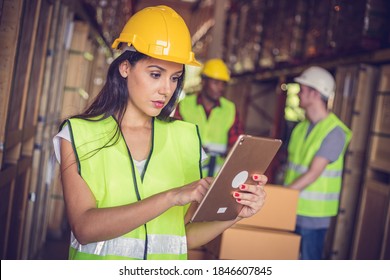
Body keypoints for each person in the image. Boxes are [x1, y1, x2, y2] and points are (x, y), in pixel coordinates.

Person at [52, 5, 267, 260]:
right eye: (156, 74)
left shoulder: (186, 139)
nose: (166, 89)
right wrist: (171, 197)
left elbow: (180, 237)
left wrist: (234, 215)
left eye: (175, 78)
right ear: (125, 68)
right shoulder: (78, 134)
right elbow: (85, 228)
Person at [283, 66, 352, 260]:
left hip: (313, 217)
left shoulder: (334, 132)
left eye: (302, 89)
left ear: (314, 93)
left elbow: (314, 173)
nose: (297, 93)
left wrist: (280, 197)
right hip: (291, 210)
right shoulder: (300, 128)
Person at [174, 58, 244, 177]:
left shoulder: (230, 109)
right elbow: (175, 138)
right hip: (187, 177)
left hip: (215, 179)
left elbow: (237, 143)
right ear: (204, 81)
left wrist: (231, 151)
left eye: (223, 84)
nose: (220, 88)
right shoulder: (185, 105)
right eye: (216, 83)